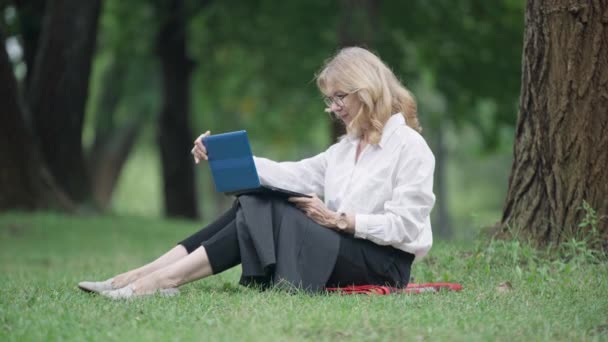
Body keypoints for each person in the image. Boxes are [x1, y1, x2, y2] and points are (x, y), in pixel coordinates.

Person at [78, 46, 436, 299]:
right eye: (330, 99)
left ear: (367, 90)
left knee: (269, 207)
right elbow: (287, 174)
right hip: (343, 249)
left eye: (340, 96)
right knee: (256, 198)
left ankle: (150, 284)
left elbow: (406, 226)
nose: (334, 107)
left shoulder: (409, 146)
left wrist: (344, 221)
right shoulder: (344, 149)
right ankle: (141, 276)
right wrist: (219, 154)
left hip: (382, 264)